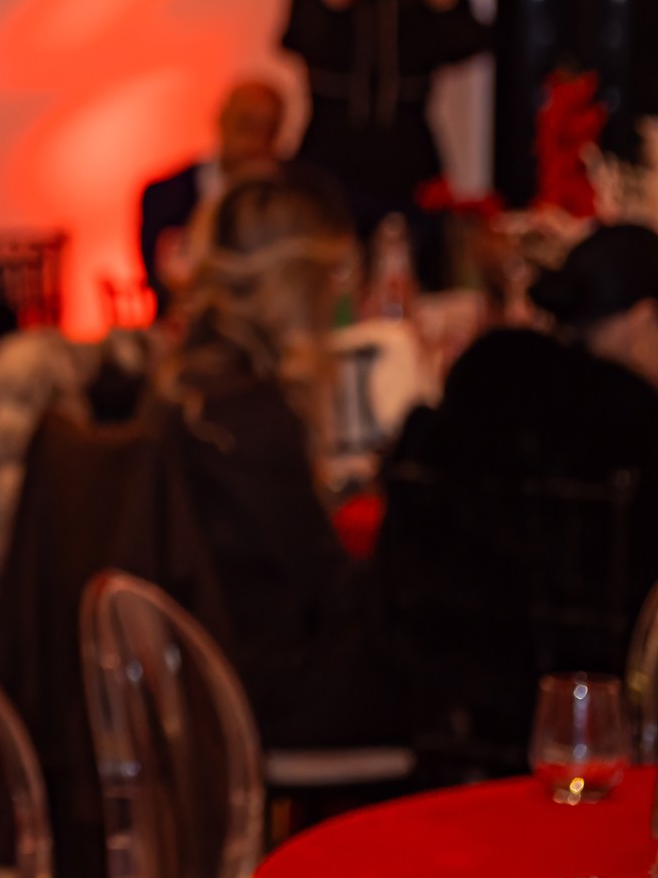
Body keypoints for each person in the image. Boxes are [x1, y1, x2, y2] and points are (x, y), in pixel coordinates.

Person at [377, 224, 658, 757]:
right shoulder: (634, 427)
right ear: (644, 319)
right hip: (599, 709)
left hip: (451, 697)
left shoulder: (482, 386)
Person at [147, 175, 405, 750]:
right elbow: (325, 586)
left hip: (202, 674)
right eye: (335, 276)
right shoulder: (248, 417)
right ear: (299, 284)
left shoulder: (185, 386)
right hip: (261, 693)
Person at [280, 0, 489, 263]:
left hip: (408, 162)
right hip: (331, 160)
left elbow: (471, 40)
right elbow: (307, 37)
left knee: (420, 263)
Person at [137, 78, 287, 299]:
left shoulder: (292, 202)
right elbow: (160, 283)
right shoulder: (164, 196)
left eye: (268, 130)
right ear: (222, 119)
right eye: (246, 124)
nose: (256, 141)